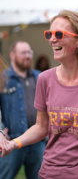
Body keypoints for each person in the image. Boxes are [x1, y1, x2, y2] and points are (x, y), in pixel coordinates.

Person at [0, 10, 78, 179]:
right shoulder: (44, 79)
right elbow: (41, 127)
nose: (52, 39)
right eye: (49, 34)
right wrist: (14, 143)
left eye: (58, 34)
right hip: (49, 173)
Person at [0, 41, 46, 179]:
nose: (27, 56)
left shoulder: (40, 77)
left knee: (39, 176)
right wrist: (1, 129)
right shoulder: (3, 78)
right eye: (23, 53)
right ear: (12, 55)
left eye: (29, 53)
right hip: (11, 140)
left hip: (37, 140)